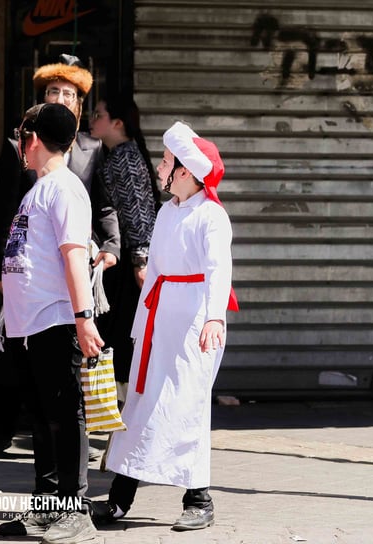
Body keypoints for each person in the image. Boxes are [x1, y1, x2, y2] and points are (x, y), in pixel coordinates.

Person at [92, 122, 237, 533]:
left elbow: (218, 270)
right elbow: (154, 272)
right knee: (142, 404)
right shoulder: (168, 211)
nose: (159, 167)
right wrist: (141, 325)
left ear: (186, 172)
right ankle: (120, 500)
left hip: (192, 322)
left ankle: (199, 498)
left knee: (185, 406)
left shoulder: (211, 216)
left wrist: (213, 317)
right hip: (158, 320)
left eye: (167, 162)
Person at [0, 54, 120, 455]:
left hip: (71, 266)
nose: (61, 98)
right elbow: (6, 209)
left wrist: (112, 245)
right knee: (31, 367)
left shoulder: (90, 150)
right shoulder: (19, 147)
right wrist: (3, 267)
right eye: (52, 92)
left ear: (80, 105)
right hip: (31, 266)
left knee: (61, 383)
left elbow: (104, 205)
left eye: (68, 93)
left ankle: (65, 491)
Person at [0, 103, 104, 544]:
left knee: (64, 415)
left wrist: (83, 318)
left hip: (56, 321)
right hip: (28, 326)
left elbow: (73, 255)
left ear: (33, 139)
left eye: (23, 137)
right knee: (41, 419)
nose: (21, 145)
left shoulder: (65, 189)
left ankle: (75, 508)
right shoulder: (36, 189)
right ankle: (45, 506)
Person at [87, 95, 159, 390]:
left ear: (117, 123)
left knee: (119, 332)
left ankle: (120, 403)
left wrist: (141, 260)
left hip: (129, 260)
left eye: (99, 114)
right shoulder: (115, 154)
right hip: (124, 256)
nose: (93, 119)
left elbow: (138, 210)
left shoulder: (125, 158)